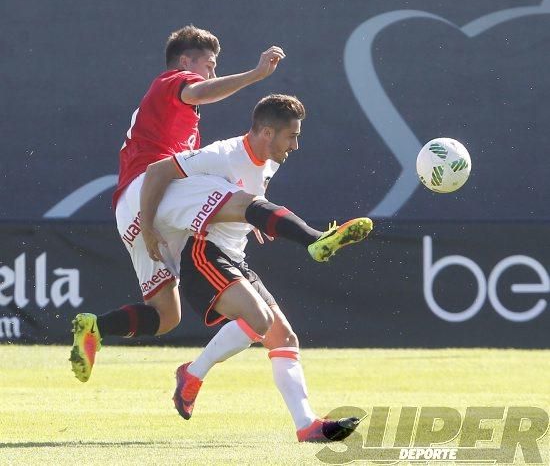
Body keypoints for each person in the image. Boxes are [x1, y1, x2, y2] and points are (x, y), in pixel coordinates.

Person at [139, 94, 372, 442]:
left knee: (284, 338)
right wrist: (146, 228)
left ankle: (306, 425)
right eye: (291, 136)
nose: (296, 144)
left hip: (236, 258)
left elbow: (248, 200)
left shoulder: (269, 161)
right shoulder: (223, 154)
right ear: (266, 132)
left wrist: (254, 222)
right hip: (205, 253)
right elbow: (158, 171)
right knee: (259, 320)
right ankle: (314, 239)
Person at [69, 24, 284, 382]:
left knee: (166, 316)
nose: (213, 71)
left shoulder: (180, 121)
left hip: (132, 212)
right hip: (147, 191)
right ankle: (307, 237)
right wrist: (255, 74)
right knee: (233, 201)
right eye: (210, 64)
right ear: (186, 61)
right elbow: (199, 91)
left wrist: (248, 214)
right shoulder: (173, 81)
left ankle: (95, 327)